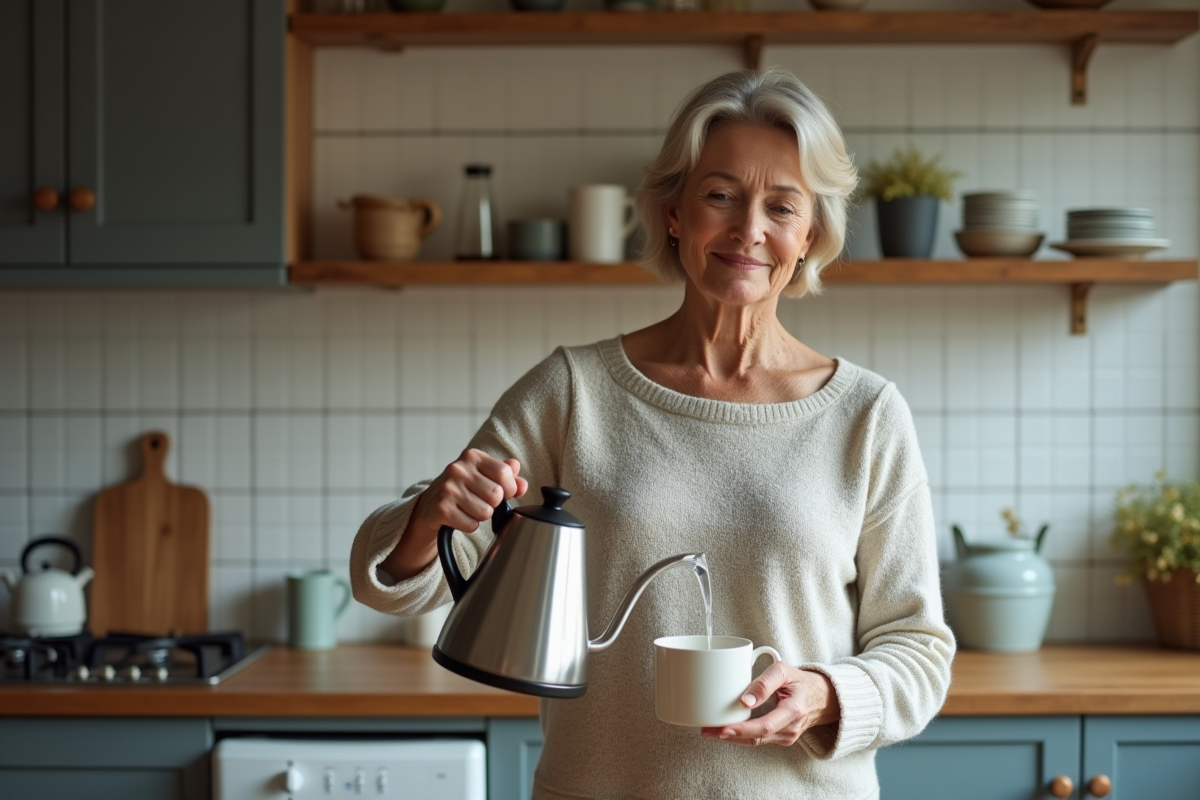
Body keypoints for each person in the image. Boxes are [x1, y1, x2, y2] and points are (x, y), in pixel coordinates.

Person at [351, 67, 955, 800]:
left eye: (782, 206)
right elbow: (396, 587)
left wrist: (826, 693)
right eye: (720, 195)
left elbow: (919, 653)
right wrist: (429, 514)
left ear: (811, 233)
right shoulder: (576, 392)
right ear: (674, 213)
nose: (748, 230)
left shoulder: (865, 414)